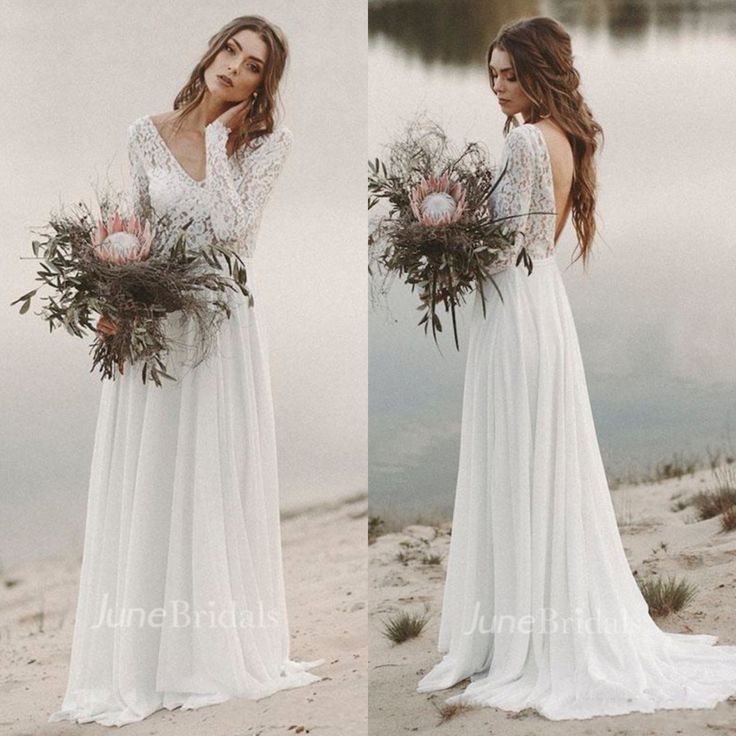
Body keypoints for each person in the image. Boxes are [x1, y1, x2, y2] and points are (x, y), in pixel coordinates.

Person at [416, 15, 736, 720]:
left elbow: (507, 247)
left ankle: (522, 640)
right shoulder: (560, 136)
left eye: (509, 74)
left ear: (540, 70)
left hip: (515, 312)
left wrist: (440, 239)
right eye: (492, 75)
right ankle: (527, 623)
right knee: (535, 463)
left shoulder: (529, 140)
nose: (498, 87)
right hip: (538, 309)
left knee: (517, 461)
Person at [49, 15, 323, 727]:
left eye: (254, 65)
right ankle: (144, 652)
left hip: (220, 325)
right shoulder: (145, 132)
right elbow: (134, 231)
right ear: (211, 52)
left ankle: (206, 650)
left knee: (208, 478)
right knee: (152, 475)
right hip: (156, 321)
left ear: (264, 84)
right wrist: (112, 300)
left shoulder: (268, 145)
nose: (235, 67)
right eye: (231, 50)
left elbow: (234, 235)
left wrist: (219, 145)